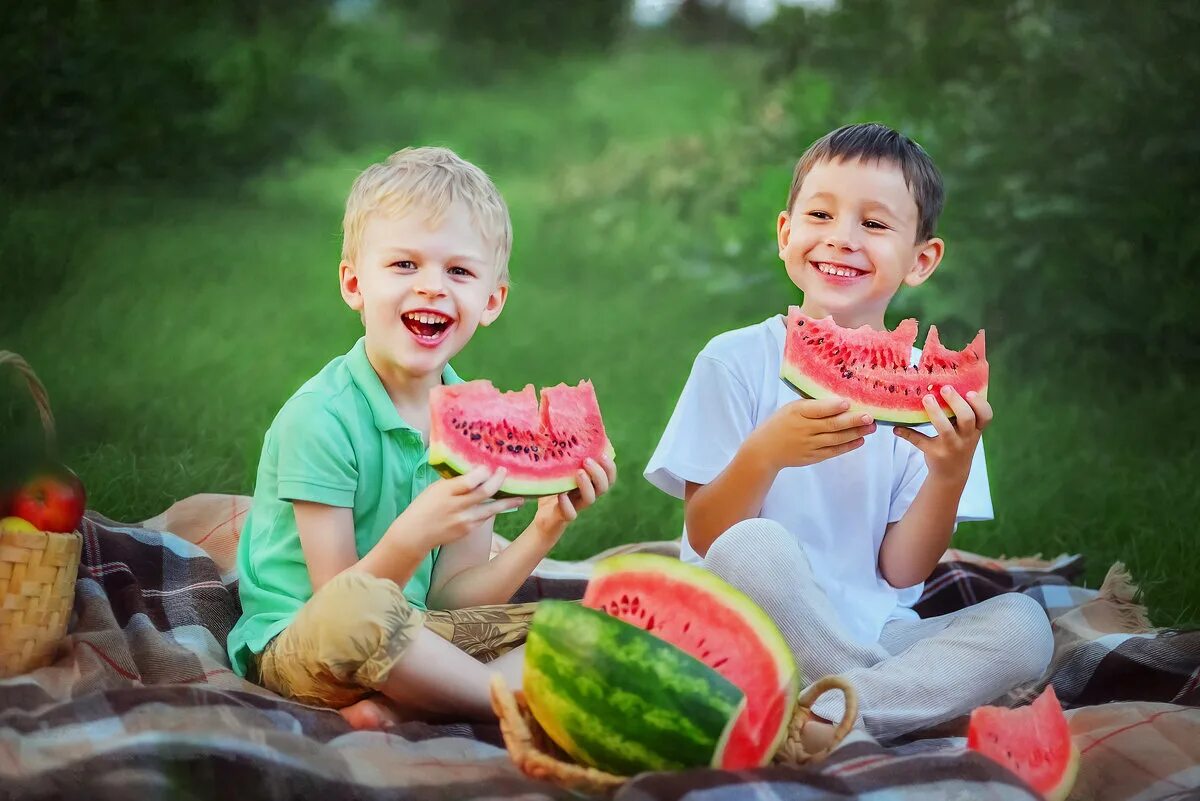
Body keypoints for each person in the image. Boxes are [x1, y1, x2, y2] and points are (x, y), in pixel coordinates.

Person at [644, 123, 1052, 743]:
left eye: (875, 224)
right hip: (737, 622)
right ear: (786, 235)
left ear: (922, 259)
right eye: (821, 214)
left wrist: (950, 471)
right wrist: (764, 454)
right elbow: (708, 534)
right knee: (753, 545)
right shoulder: (733, 360)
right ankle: (872, 703)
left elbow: (903, 570)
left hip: (872, 629)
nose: (842, 239)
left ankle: (829, 714)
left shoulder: (931, 393)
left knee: (1026, 626)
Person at [227, 146, 617, 730]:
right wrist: (414, 535)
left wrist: (546, 528)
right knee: (361, 610)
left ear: (492, 301)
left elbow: (455, 601)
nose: (433, 287)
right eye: (405, 265)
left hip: (418, 634)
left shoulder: (481, 426)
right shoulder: (320, 418)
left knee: (595, 626)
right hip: (302, 641)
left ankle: (415, 697)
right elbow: (337, 595)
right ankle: (500, 697)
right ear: (354, 284)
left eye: (458, 271)